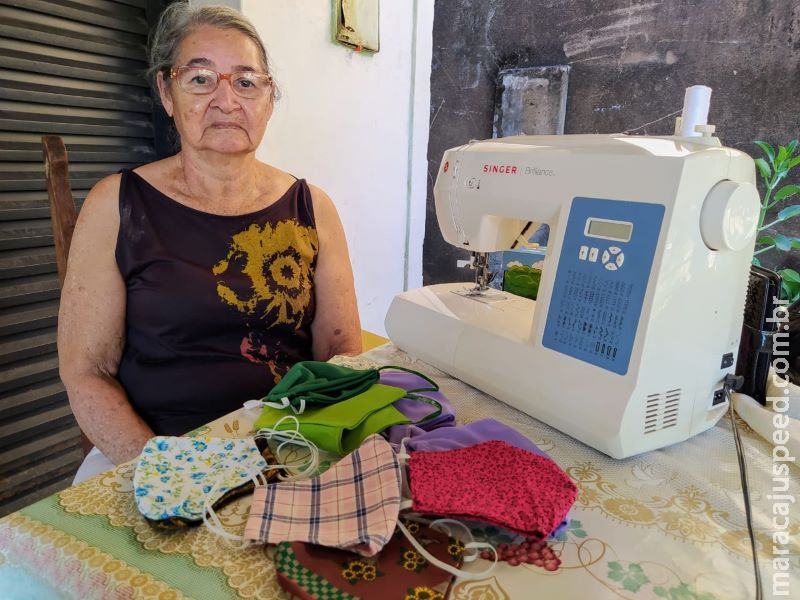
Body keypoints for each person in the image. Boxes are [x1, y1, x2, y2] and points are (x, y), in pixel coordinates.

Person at [59, 2, 362, 483]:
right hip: (151, 452)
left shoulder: (312, 207)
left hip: (288, 445)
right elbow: (87, 371)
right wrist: (168, 471)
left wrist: (319, 446)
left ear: (269, 98)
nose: (226, 100)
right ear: (166, 92)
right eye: (200, 79)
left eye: (246, 82)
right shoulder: (116, 204)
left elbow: (340, 349)